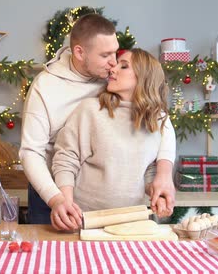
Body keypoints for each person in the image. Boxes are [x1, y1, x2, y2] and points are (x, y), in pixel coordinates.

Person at [19, 14, 174, 231]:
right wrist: (57, 199)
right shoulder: (45, 87)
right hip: (50, 188)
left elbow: (160, 121)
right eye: (105, 55)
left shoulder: (111, 78)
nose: (112, 64)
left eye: (116, 53)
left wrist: (164, 175)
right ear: (80, 53)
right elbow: (31, 152)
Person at [51, 48, 176, 218]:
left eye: (124, 66)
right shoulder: (90, 110)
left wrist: (157, 197)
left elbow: (147, 172)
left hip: (131, 220)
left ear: (144, 78)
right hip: (85, 219)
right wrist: (66, 204)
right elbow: (66, 160)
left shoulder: (155, 120)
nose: (113, 69)